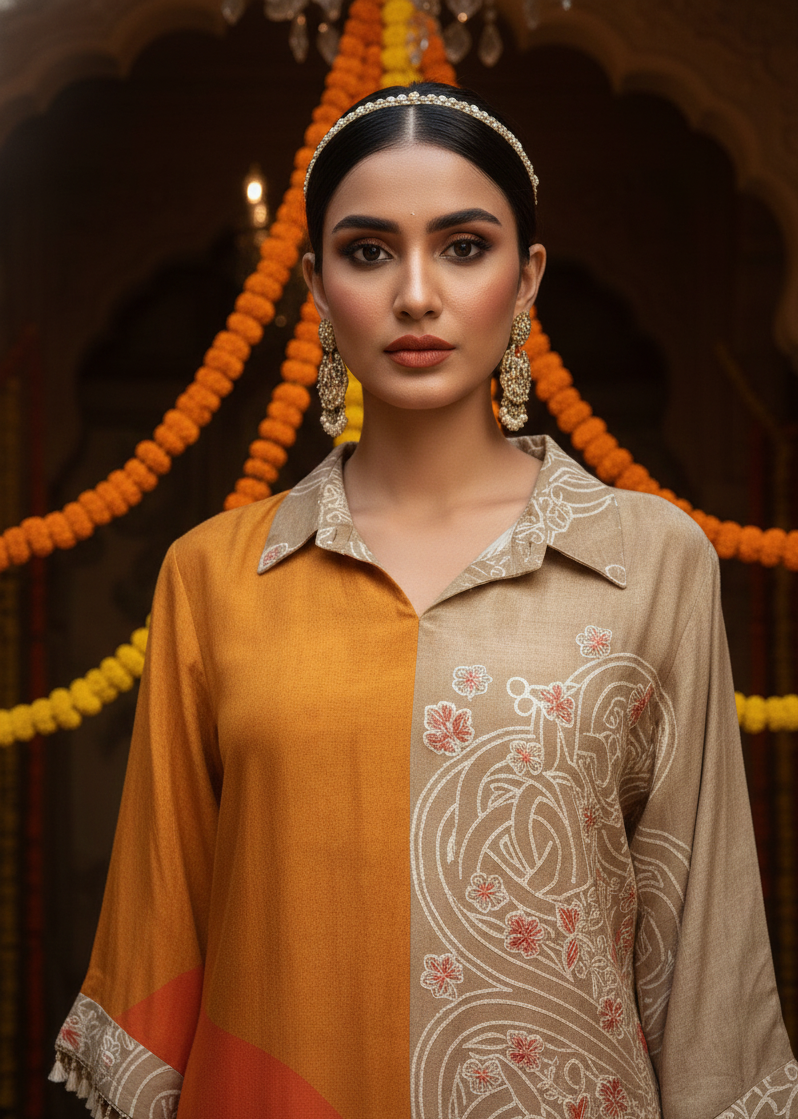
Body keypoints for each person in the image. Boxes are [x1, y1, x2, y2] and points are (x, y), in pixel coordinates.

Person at [51, 82, 796, 1119]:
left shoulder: (649, 561)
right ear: (315, 283)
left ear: (526, 277)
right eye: (367, 251)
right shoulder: (214, 577)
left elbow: (706, 951)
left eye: (461, 246)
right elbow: (155, 958)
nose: (414, 294)